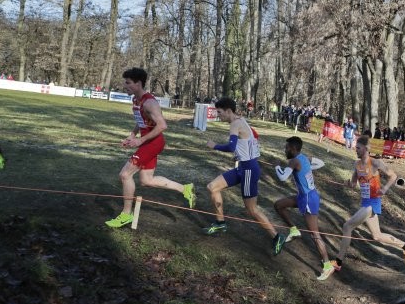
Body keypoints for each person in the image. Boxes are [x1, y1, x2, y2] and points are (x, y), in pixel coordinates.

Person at [106, 68, 195, 228]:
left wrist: (141, 141)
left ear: (138, 83)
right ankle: (185, 188)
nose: (125, 86)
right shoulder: (136, 100)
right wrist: (132, 135)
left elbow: (162, 125)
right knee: (146, 180)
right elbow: (141, 121)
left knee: (125, 175)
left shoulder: (150, 103)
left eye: (128, 83)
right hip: (148, 141)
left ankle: (126, 215)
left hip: (153, 142)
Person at [203, 97, 285, 255]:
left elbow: (231, 146)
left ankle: (277, 236)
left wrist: (215, 146)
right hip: (243, 167)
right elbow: (251, 139)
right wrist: (240, 154)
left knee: (252, 210)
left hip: (249, 171)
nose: (218, 116)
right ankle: (220, 222)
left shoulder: (235, 123)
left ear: (228, 111)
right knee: (212, 187)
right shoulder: (240, 120)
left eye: (219, 112)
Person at [334, 136, 405, 270]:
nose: (356, 150)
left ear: (366, 149)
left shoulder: (376, 163)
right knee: (376, 236)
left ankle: (338, 262)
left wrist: (385, 188)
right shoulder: (357, 164)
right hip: (365, 202)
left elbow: (393, 176)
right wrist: (347, 183)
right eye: (356, 147)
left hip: (373, 203)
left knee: (347, 226)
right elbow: (354, 184)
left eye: (358, 148)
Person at [273, 136, 336, 280]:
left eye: (287, 147)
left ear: (294, 149)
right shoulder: (303, 158)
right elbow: (321, 163)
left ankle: (327, 266)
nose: (285, 150)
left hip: (308, 199)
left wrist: (277, 165)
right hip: (304, 196)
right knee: (278, 205)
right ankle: (294, 230)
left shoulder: (295, 160)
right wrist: (309, 167)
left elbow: (282, 177)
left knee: (315, 234)